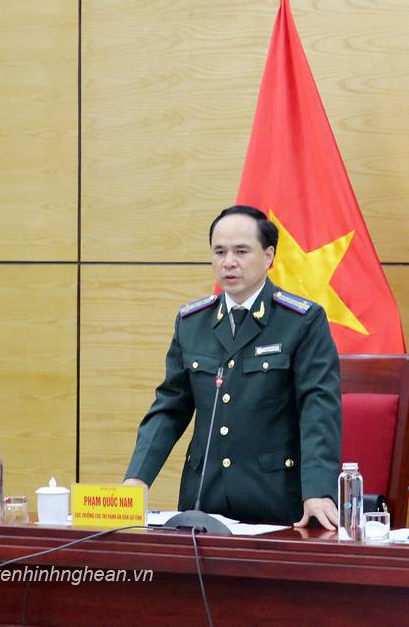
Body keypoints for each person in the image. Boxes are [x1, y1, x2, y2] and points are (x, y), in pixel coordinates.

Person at [123, 205, 342, 529]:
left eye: (241, 251)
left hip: (277, 502)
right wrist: (137, 479)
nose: (228, 262)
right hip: (202, 500)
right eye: (219, 252)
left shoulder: (301, 321)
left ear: (268, 257)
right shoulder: (192, 322)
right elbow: (170, 407)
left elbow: (318, 408)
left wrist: (319, 491)